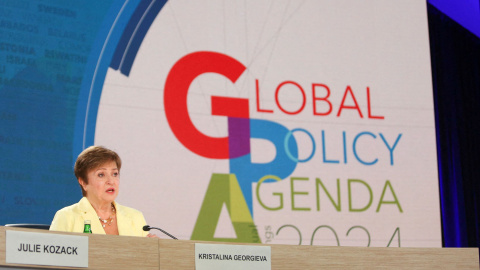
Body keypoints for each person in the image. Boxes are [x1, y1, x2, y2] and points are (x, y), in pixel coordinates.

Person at [50, 146, 156, 237]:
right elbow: (54, 259)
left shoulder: (135, 217)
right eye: (101, 175)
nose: (111, 181)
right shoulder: (67, 217)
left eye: (115, 174)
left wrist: (153, 250)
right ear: (83, 182)